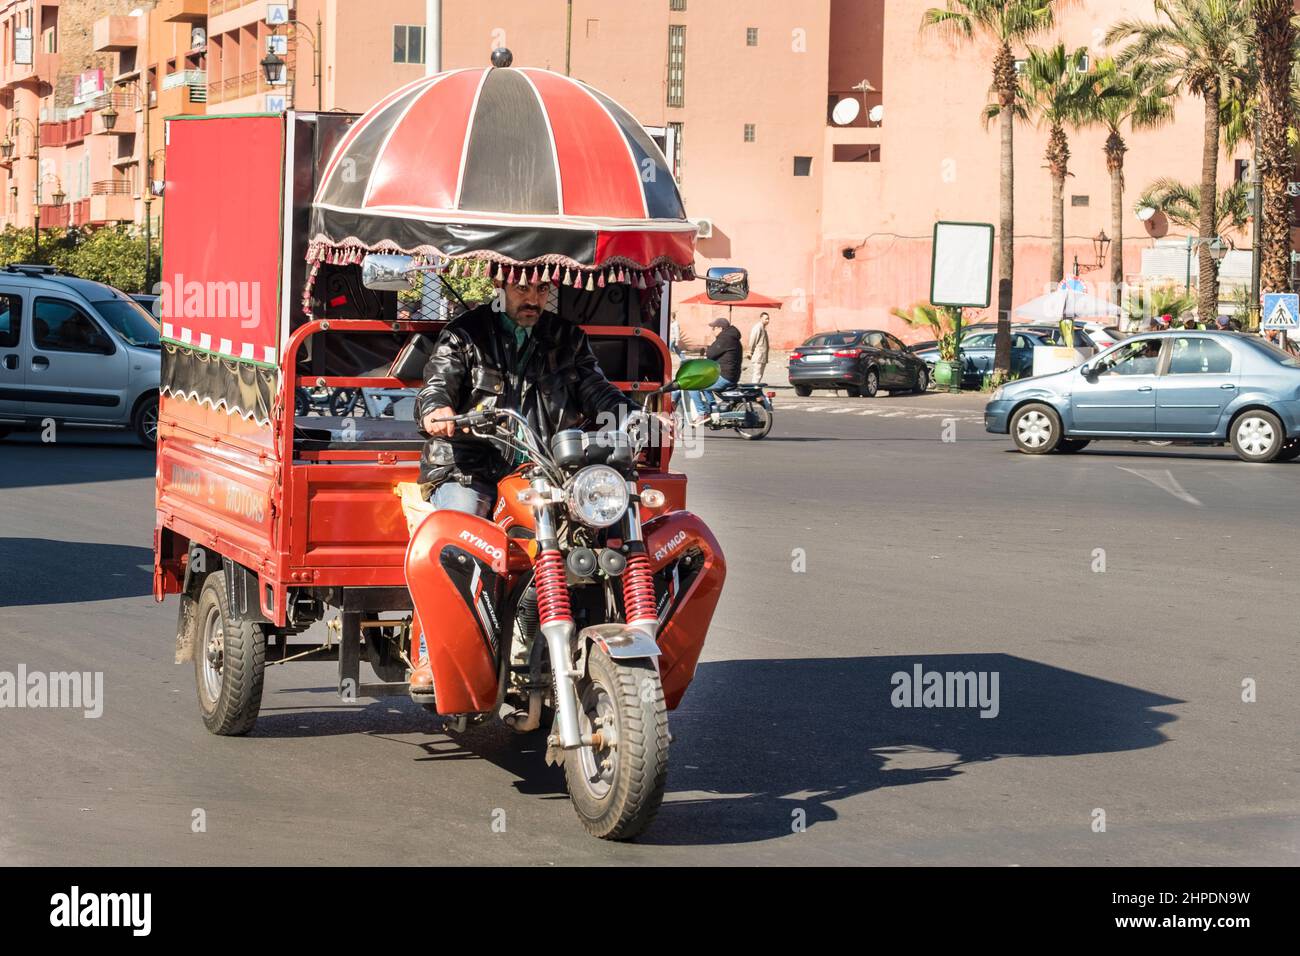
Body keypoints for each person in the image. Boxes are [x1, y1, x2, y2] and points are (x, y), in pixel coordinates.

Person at [416, 276, 636, 518]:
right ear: (499, 285)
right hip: (469, 469)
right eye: (522, 288)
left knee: (607, 519)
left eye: (542, 289)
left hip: (548, 468)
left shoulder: (568, 338)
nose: (533, 299)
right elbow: (438, 383)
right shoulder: (464, 334)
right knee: (464, 527)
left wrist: (634, 415)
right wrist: (435, 407)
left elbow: (597, 390)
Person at [689, 316, 742, 423]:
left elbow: (710, 354)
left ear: (720, 328)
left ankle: (702, 413)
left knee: (692, 386)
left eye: (714, 328)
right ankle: (713, 409)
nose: (712, 331)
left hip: (725, 377)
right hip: (730, 375)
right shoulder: (732, 338)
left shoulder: (724, 338)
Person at [747, 311, 771, 384]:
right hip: (758, 356)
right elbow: (753, 340)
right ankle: (754, 389)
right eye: (766, 319)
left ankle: (756, 387)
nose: (768, 320)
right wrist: (750, 352)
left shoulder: (763, 328)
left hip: (762, 356)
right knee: (757, 374)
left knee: (759, 375)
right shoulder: (758, 327)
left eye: (768, 319)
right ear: (761, 318)